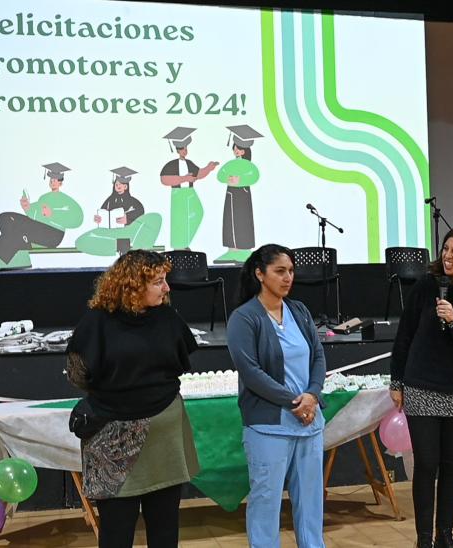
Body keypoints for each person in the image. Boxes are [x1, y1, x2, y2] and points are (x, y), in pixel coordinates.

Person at [66, 250, 199, 548]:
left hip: (164, 440)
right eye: (158, 282)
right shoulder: (97, 322)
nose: (167, 288)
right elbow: (78, 372)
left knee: (165, 529)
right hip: (113, 440)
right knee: (116, 532)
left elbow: (179, 361)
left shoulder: (166, 317)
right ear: (131, 286)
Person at [389, 225, 453, 548]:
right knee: (426, 463)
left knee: (452, 464)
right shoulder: (426, 285)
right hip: (422, 385)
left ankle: (444, 533)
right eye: (446, 249)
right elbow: (404, 334)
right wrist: (397, 380)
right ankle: (423, 538)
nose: (447, 256)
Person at [226, 244, 326, 548]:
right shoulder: (244, 318)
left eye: (291, 271)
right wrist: (294, 402)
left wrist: (312, 395)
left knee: (311, 502)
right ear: (260, 273)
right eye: (280, 271)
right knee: (266, 502)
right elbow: (252, 372)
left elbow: (318, 357)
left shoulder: (299, 310)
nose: (287, 278)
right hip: (268, 426)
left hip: (309, 422)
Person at [0, 162, 84, 271]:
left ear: (60, 183)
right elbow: (34, 214)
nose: (53, 182)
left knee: (21, 227)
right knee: (6, 218)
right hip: (37, 228)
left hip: (53, 233)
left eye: (55, 180)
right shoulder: (44, 198)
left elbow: (77, 219)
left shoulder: (66, 200)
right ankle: (21, 255)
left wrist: (53, 214)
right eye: (51, 179)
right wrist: (27, 207)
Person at [76, 167, 162, 256]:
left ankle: (126, 249)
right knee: (88, 238)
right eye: (117, 185)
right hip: (111, 231)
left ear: (126, 187)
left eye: (122, 185)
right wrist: (99, 218)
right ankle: (116, 247)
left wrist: (128, 218)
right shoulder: (110, 200)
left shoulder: (134, 202)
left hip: (126, 232)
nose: (118, 187)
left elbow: (140, 213)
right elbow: (103, 211)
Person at [160, 127, 219, 250]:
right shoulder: (171, 164)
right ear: (177, 150)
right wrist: (183, 179)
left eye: (186, 148)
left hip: (190, 192)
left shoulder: (189, 163)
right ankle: (179, 246)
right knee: (179, 219)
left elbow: (198, 174)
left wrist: (209, 168)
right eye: (182, 149)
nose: (185, 151)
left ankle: (184, 240)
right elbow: (164, 179)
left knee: (198, 212)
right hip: (178, 193)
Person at [215, 125, 263, 264]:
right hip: (230, 195)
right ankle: (232, 249)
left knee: (243, 220)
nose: (236, 150)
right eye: (235, 147)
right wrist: (227, 179)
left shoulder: (249, 165)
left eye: (239, 148)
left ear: (245, 150)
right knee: (230, 221)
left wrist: (240, 180)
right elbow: (221, 175)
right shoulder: (231, 163)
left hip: (243, 195)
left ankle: (244, 248)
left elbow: (254, 176)